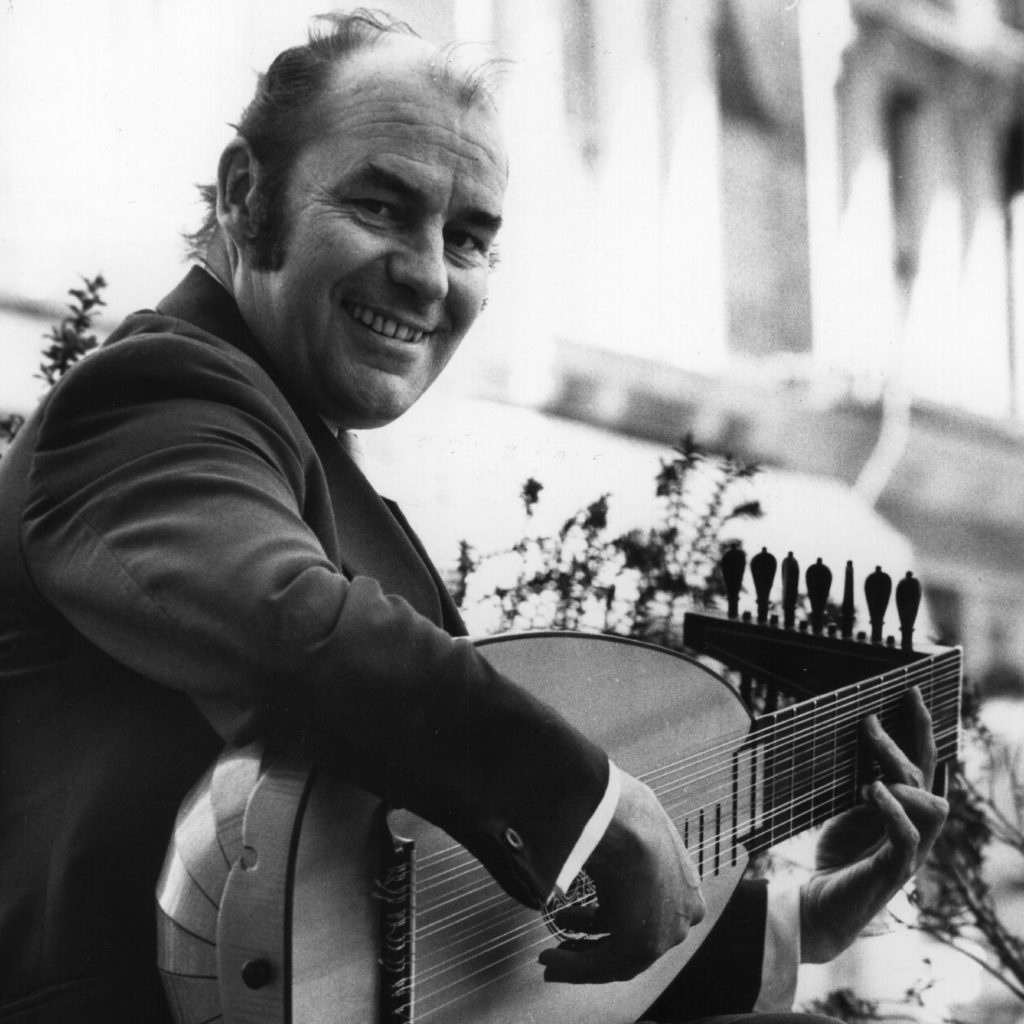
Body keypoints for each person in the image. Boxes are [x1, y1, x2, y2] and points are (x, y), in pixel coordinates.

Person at [0, 9, 948, 1024]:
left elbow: (410, 925)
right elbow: (293, 627)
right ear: (245, 195)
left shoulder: (315, 461)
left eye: (468, 238)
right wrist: (587, 804)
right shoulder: (154, 396)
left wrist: (798, 923)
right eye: (379, 205)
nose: (427, 273)